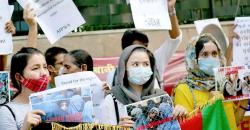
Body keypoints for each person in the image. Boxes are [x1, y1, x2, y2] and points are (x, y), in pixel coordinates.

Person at [100, 45, 186, 128]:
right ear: (124, 68)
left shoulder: (162, 98)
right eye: (135, 64)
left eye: (146, 64)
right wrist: (118, 128)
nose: (141, 68)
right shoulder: (112, 100)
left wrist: (180, 114)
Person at [173, 33, 248, 130]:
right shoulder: (183, 89)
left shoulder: (223, 83)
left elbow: (232, 122)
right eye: (204, 54)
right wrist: (210, 105)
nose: (211, 58)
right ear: (193, 59)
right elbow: (186, 127)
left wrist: (244, 101)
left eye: (214, 53)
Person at [107, 0, 182, 88]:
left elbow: (175, 39)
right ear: (126, 51)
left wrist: (171, 11)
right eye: (137, 48)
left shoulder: (155, 62)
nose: (143, 52)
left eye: (145, 47)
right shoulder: (113, 75)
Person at [0, 47, 49, 130]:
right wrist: (25, 127)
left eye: (45, 67)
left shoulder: (55, 102)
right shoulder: (7, 112)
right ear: (19, 77)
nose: (44, 73)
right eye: (35, 68)